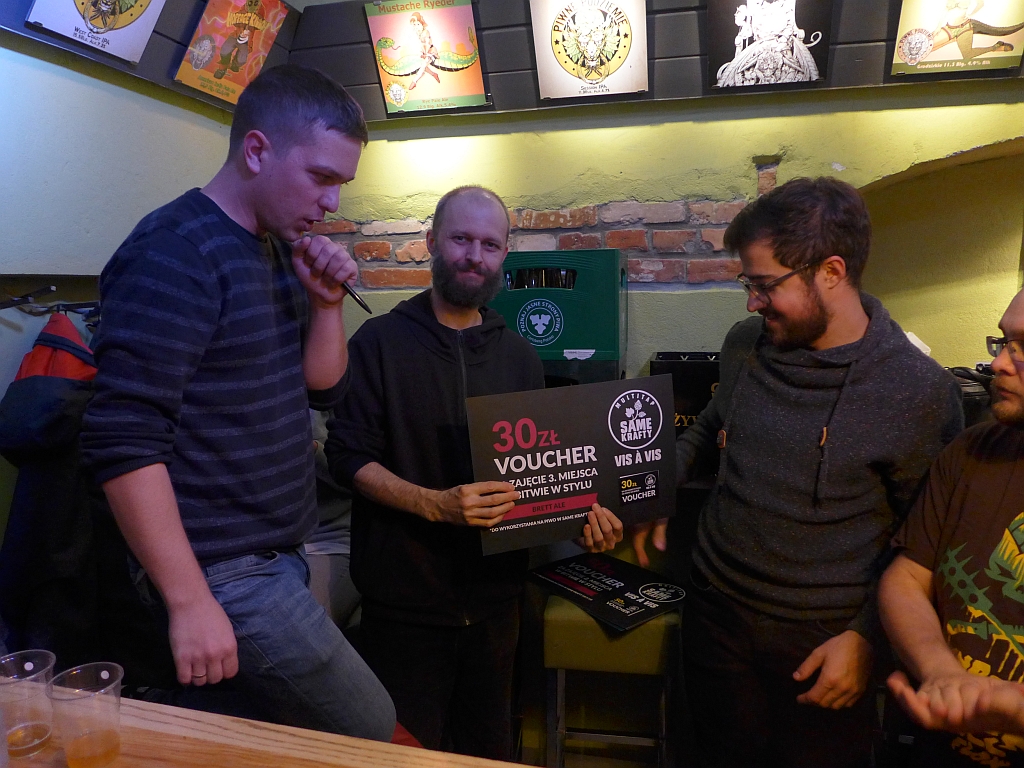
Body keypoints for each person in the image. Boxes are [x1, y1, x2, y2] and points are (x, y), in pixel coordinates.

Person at [79, 64, 396, 740]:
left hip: (277, 553)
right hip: (224, 570)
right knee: (370, 724)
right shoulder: (175, 251)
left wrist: (326, 305)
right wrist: (189, 599)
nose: (332, 203)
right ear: (256, 151)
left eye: (341, 183)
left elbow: (323, 389)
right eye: (321, 177)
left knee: (261, 734)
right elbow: (122, 440)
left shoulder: (274, 247)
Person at [635, 177, 964, 767]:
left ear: (831, 272)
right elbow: (711, 425)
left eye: (765, 286)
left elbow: (926, 546)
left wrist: (868, 639)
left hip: (824, 643)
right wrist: (658, 484)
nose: (752, 303)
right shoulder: (746, 344)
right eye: (749, 284)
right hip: (713, 614)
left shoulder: (917, 391)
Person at [326, 185, 623, 760]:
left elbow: (542, 478)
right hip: (403, 608)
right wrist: (433, 503)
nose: (474, 256)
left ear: (504, 254)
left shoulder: (520, 357)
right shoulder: (378, 343)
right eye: (461, 239)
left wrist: (582, 520)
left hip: (496, 608)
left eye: (490, 244)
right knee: (407, 756)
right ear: (432, 242)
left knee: (488, 752)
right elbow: (346, 458)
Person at [880, 289, 1024, 766]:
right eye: (1003, 342)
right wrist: (941, 671)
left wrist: (1014, 711)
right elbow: (907, 577)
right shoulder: (971, 451)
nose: (999, 364)